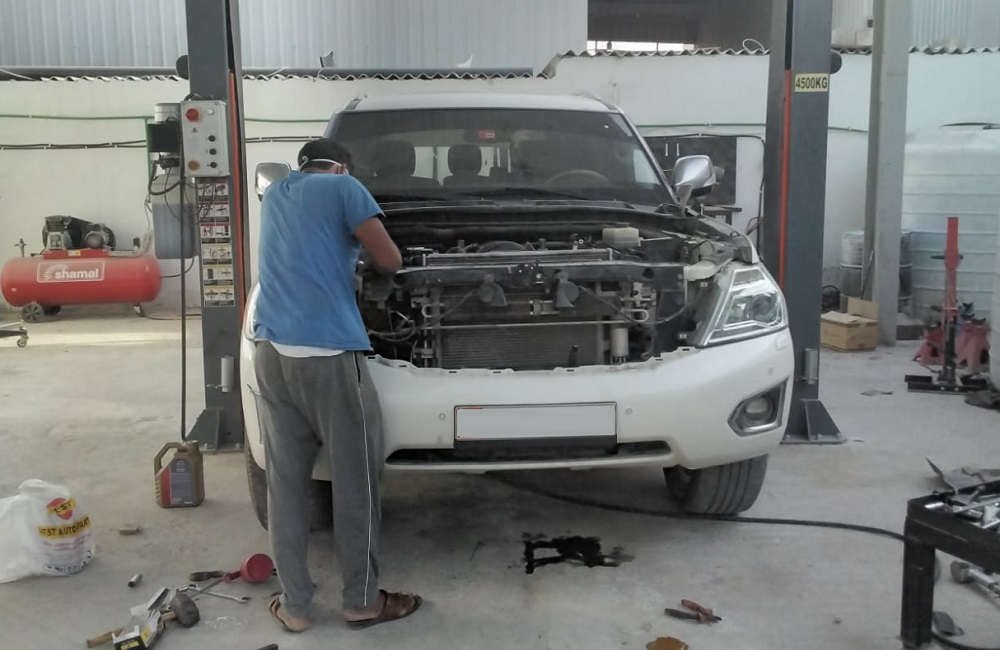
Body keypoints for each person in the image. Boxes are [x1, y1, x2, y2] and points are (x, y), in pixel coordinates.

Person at [252, 138, 420, 632]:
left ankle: (295, 607)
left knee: (285, 485)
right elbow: (389, 259)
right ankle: (361, 602)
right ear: (342, 167)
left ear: (302, 165)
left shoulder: (277, 192)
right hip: (327, 355)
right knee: (355, 482)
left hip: (272, 352)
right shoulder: (345, 188)